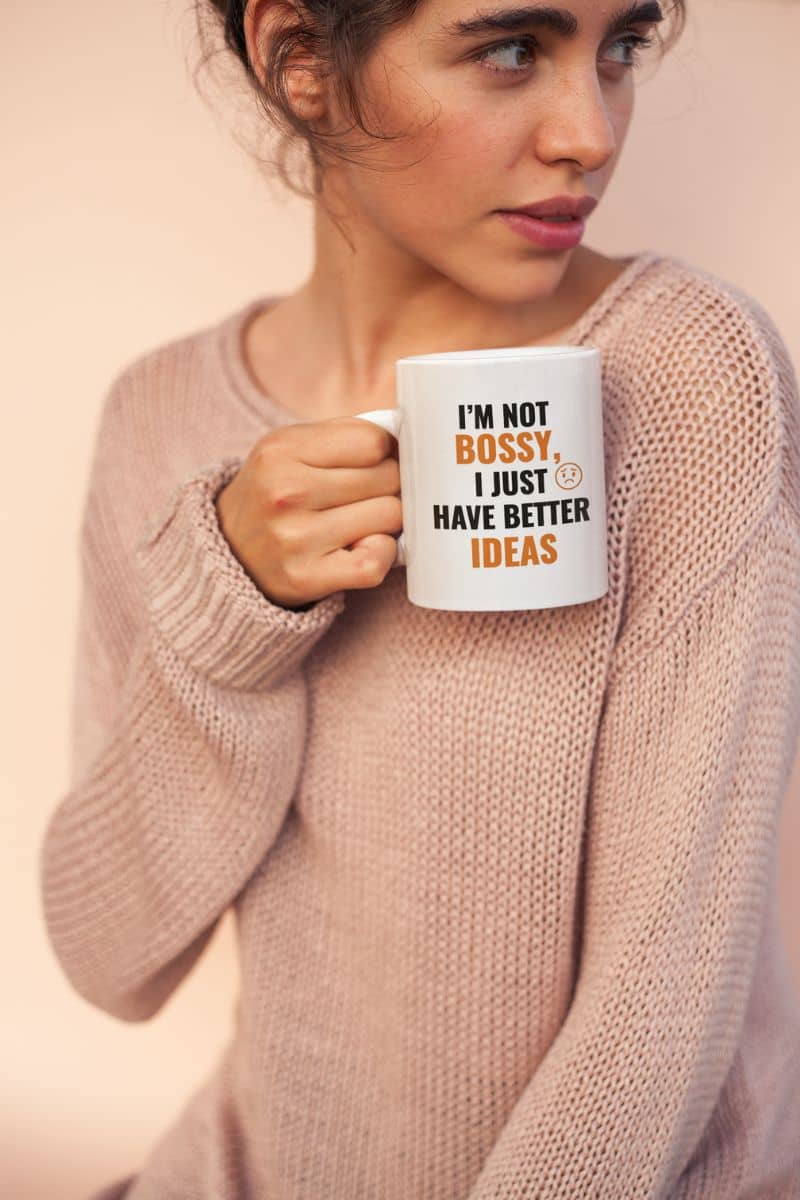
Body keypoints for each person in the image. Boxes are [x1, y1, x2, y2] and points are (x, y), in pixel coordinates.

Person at [39, 0, 800, 1196]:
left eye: (621, 48)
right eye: (510, 49)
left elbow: (667, 986)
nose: (589, 133)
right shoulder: (161, 415)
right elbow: (108, 956)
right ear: (296, 56)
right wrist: (226, 618)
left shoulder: (686, 374)